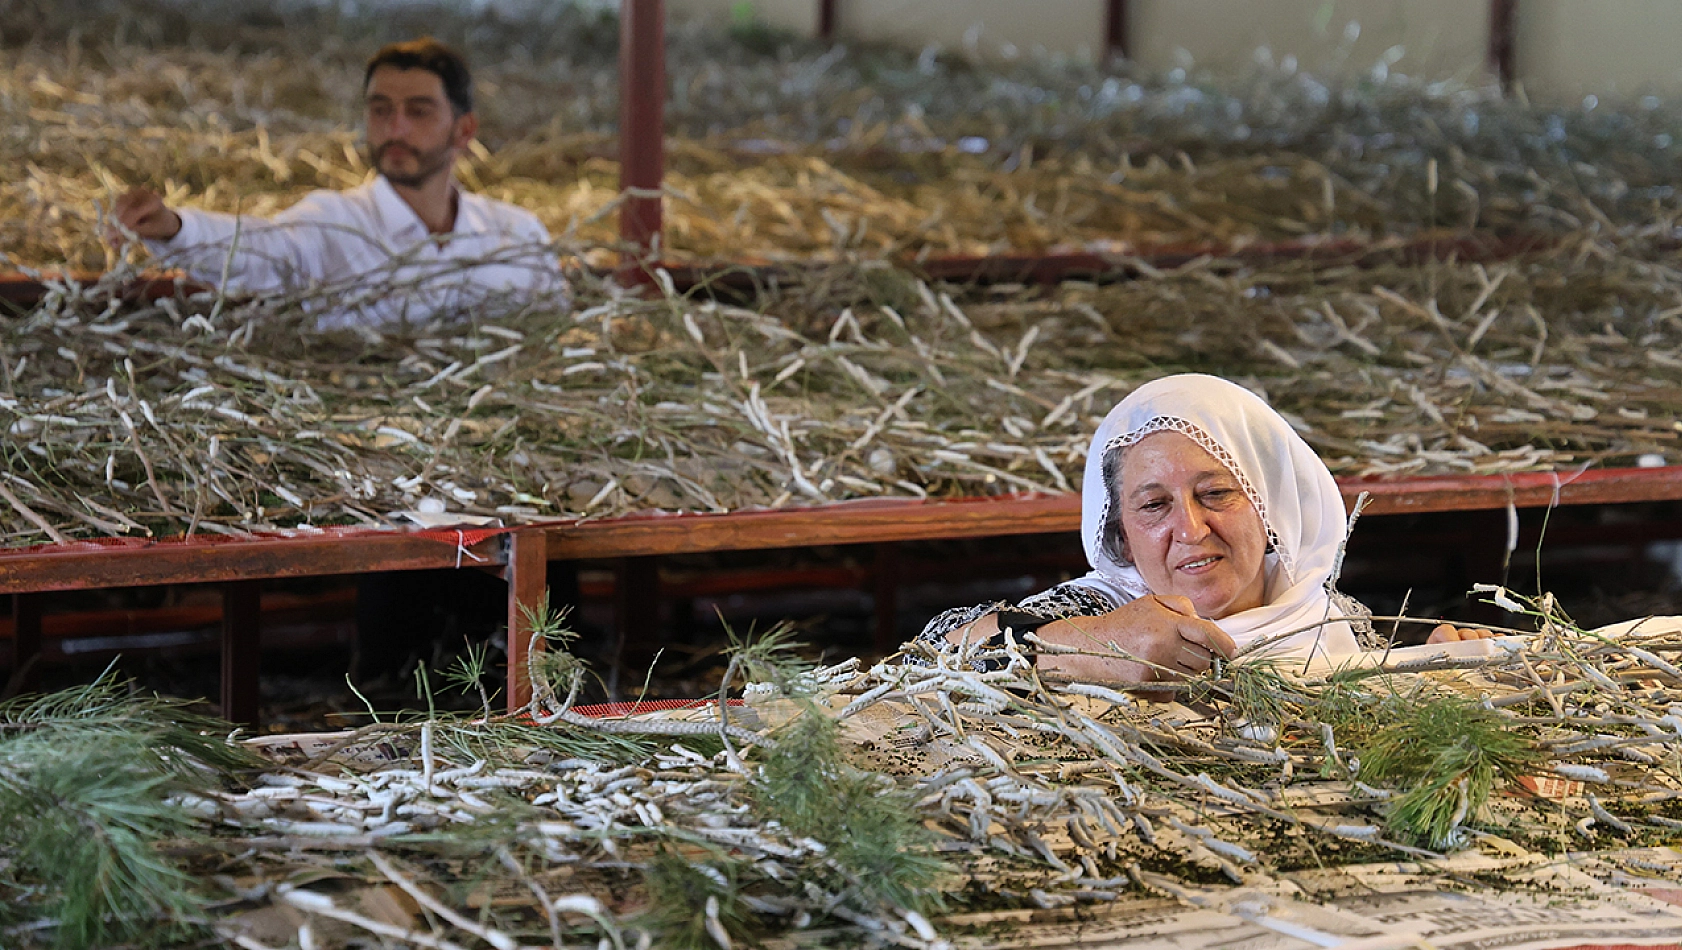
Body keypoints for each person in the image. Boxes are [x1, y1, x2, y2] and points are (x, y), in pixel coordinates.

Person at [916, 374, 1492, 688]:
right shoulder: (1100, 606)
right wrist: (1099, 647)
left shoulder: (1327, 617)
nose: (1190, 530)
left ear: (1266, 505)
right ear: (1121, 531)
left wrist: (1431, 675)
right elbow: (928, 656)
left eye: (1216, 494)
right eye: (1153, 506)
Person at [111, 37, 565, 327]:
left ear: (464, 131)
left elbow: (554, 337)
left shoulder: (516, 237)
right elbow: (259, 250)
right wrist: (176, 229)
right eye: (381, 110)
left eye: (418, 112)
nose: (396, 129)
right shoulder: (332, 225)